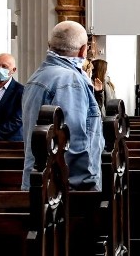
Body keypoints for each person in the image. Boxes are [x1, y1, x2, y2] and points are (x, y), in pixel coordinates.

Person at [22, 21, 103, 191]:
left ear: (49, 45)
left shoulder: (37, 76)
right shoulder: (68, 81)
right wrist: (86, 187)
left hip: (43, 181)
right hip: (65, 188)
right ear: (83, 50)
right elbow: (72, 139)